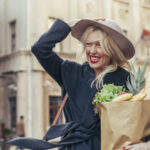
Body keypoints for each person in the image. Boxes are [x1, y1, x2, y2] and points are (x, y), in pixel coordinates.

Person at [8, 18, 150, 150]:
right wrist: (68, 25)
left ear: (111, 49)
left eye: (99, 45)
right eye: (88, 44)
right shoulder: (70, 71)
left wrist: (144, 145)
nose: (92, 51)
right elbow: (40, 49)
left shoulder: (126, 79)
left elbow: (138, 121)